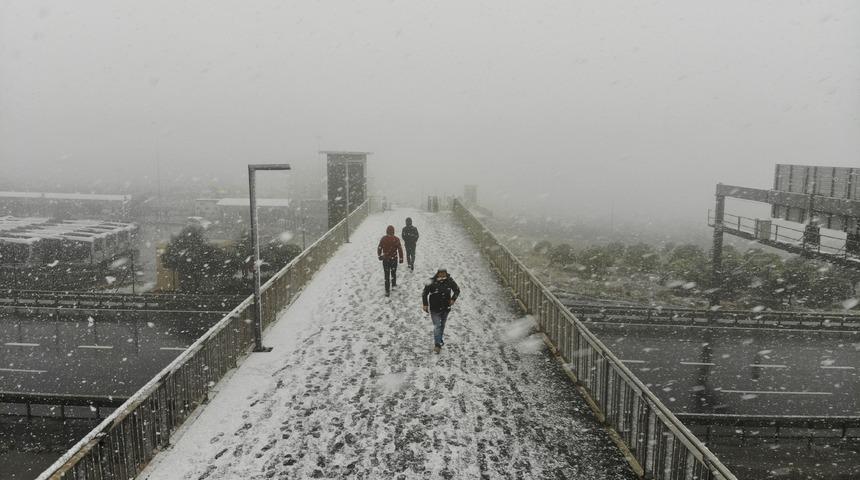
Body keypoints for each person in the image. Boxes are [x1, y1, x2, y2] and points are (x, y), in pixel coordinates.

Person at [422, 268, 460, 353]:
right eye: (441, 273)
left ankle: (439, 339)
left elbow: (457, 290)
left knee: (442, 325)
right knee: (437, 325)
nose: (442, 275)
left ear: (446, 273)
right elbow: (425, 293)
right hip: (434, 308)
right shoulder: (431, 281)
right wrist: (425, 304)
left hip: (446, 308)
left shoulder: (450, 281)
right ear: (438, 273)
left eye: (444, 273)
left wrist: (453, 299)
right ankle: (437, 345)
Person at [377, 225, 404, 296]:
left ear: (387, 231)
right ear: (393, 232)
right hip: (394, 259)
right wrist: (401, 258)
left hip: (386, 259)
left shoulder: (383, 239)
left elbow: (379, 248)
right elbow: (400, 249)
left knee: (386, 274)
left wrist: (379, 255)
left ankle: (387, 290)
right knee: (393, 272)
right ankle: (394, 285)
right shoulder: (396, 239)